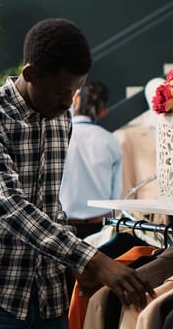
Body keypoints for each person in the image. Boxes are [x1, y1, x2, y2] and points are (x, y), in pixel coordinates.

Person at [0, 18, 155, 328]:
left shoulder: (60, 118)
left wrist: (76, 264)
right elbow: (8, 205)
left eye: (75, 91)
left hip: (49, 296)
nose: (68, 102)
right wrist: (91, 258)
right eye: (61, 91)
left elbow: (49, 205)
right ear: (30, 74)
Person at [60, 80, 122, 239]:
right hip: (100, 229)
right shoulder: (111, 141)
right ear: (104, 112)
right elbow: (116, 196)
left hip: (62, 226)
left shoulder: (58, 136)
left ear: (75, 99)